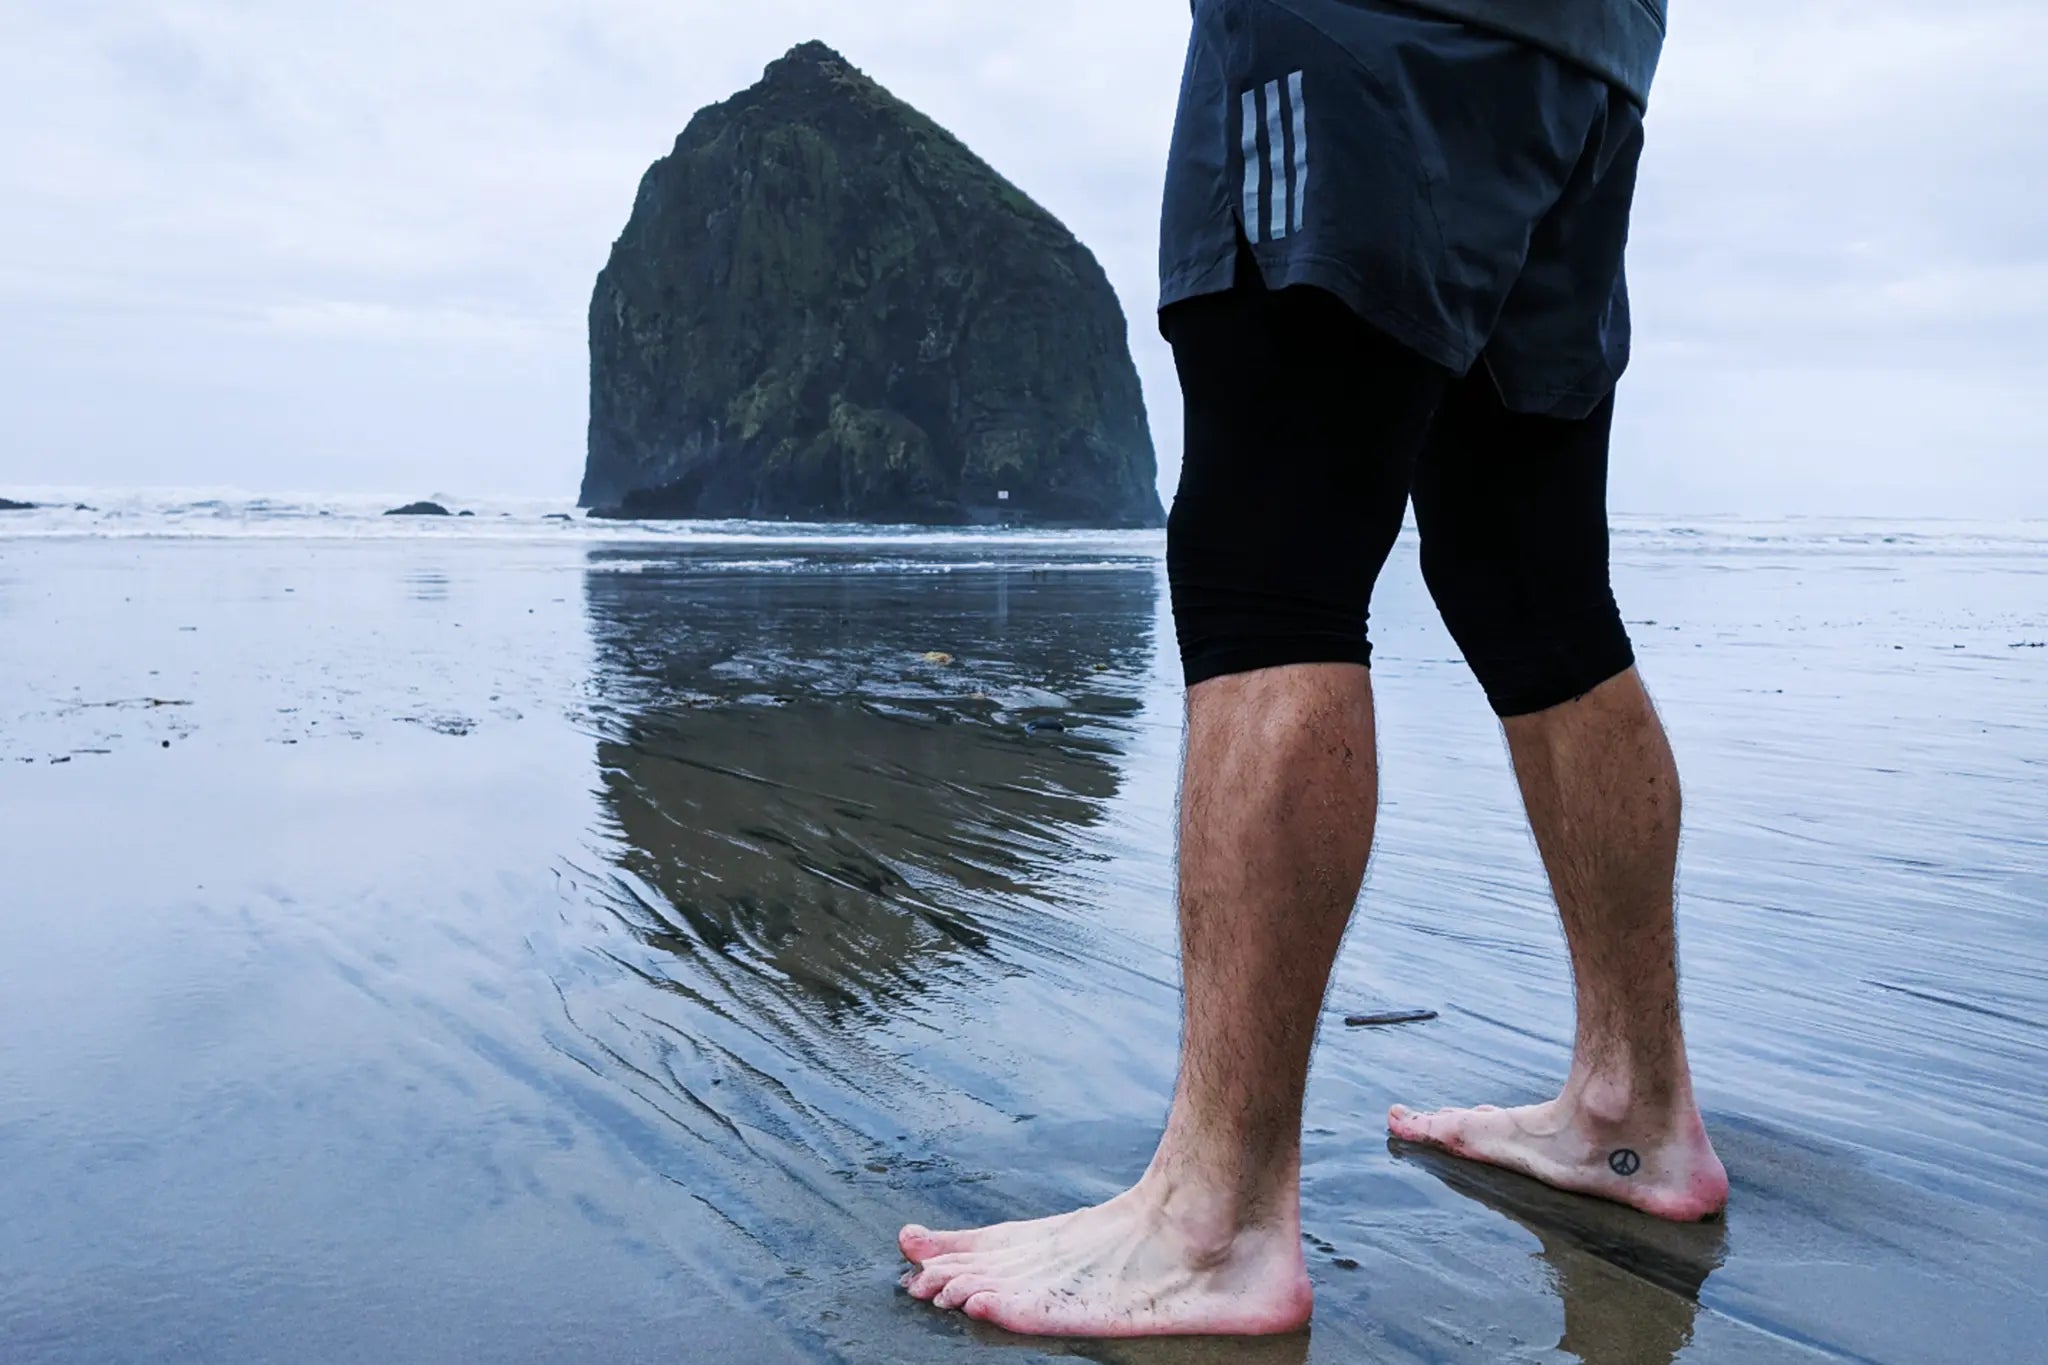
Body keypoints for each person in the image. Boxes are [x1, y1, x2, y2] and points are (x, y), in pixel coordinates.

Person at [899, 0, 1727, 1338]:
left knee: (1266, 560)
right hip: (1592, 55)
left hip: (1364, 32)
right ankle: (1636, 1106)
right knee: (1534, 582)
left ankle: (1212, 1217)